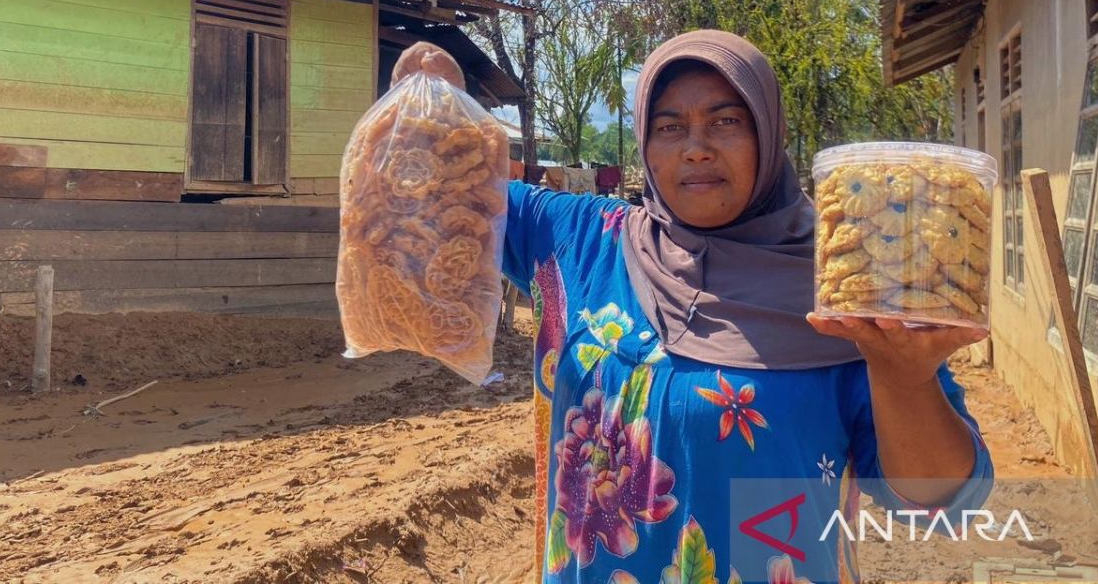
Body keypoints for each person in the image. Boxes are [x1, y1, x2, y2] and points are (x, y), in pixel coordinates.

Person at [391, 31, 992, 584]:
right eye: (670, 126)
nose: (696, 149)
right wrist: (431, 102)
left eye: (726, 121)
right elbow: (449, 191)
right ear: (646, 145)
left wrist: (905, 378)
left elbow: (937, 502)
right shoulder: (583, 239)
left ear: (768, 134)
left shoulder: (845, 286)